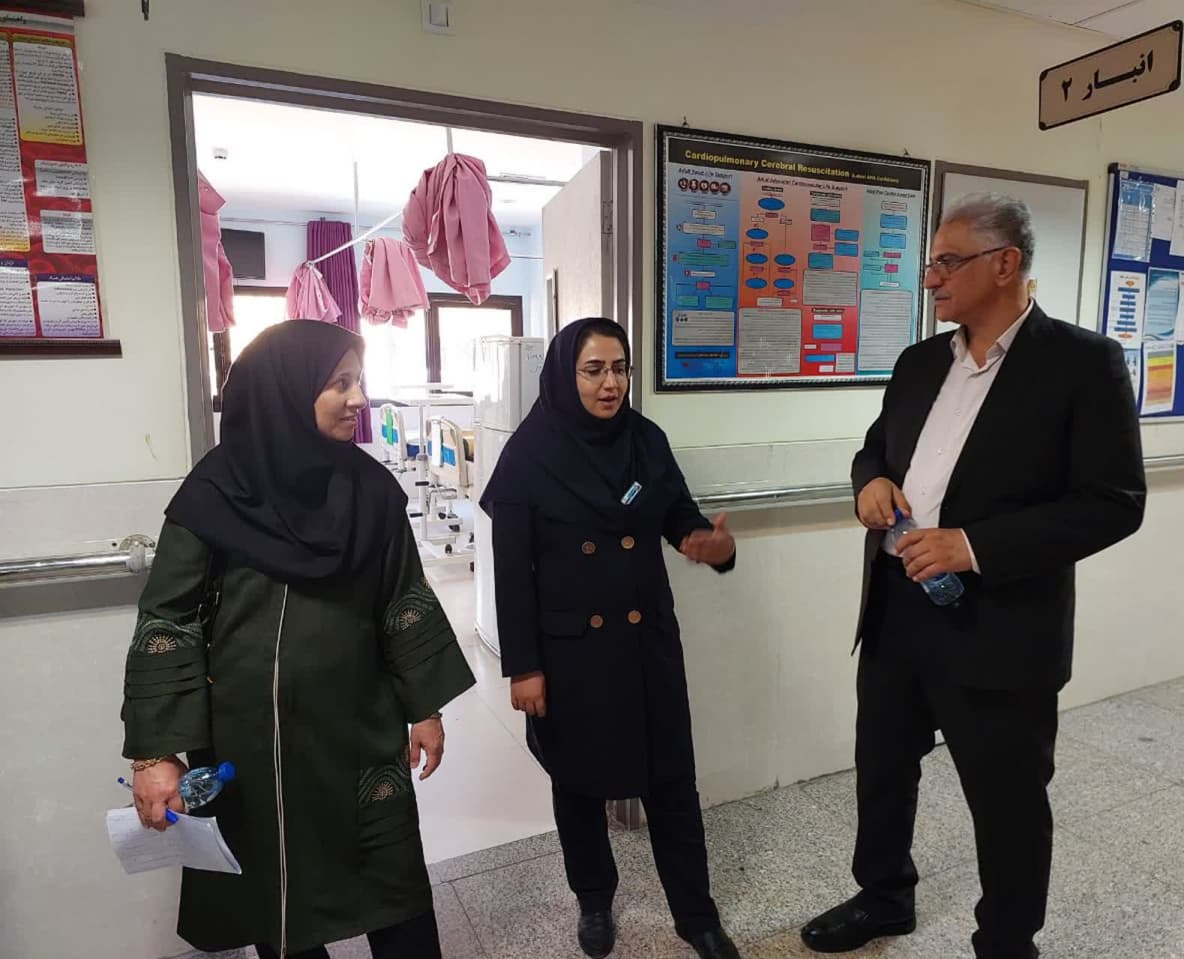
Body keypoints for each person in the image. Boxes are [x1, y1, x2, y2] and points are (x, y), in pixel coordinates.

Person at [801, 195, 1146, 958]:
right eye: (930, 263)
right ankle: (884, 895)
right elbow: (874, 449)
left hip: (1001, 625)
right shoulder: (920, 362)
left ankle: (1007, 939)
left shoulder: (1083, 364)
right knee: (882, 769)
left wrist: (972, 545)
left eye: (947, 262)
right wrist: (868, 483)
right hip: (896, 610)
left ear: (1005, 264)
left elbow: (1115, 502)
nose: (931, 279)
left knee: (1007, 798)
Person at [120, 320, 475, 959]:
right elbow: (168, 622)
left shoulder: (371, 491)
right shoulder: (214, 495)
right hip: (256, 748)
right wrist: (156, 753)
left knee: (395, 895)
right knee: (278, 905)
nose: (359, 399)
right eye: (339, 383)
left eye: (358, 381)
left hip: (361, 736)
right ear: (285, 389)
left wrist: (425, 706)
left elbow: (403, 598)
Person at [480, 317, 742, 959]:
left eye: (620, 368)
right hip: (570, 651)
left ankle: (696, 915)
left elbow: (680, 516)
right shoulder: (529, 453)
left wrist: (709, 545)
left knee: (672, 780)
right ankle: (594, 900)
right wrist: (524, 667)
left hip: (645, 641)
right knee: (578, 783)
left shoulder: (646, 440)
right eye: (594, 370)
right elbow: (512, 572)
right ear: (565, 375)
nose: (611, 384)